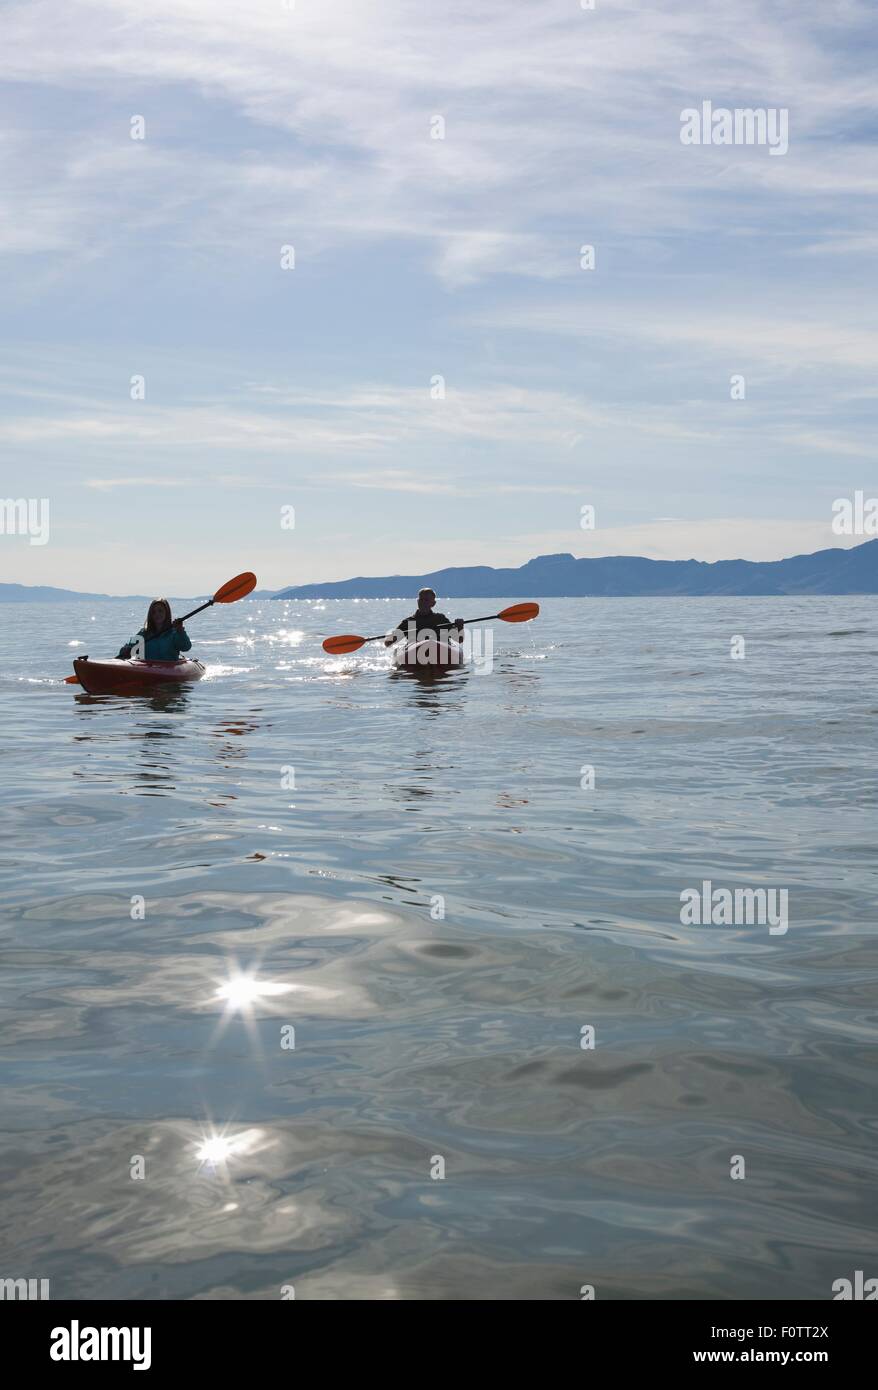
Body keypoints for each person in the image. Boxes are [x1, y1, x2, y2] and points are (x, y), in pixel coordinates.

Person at [385, 588, 464, 648]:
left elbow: (459, 640)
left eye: (426, 600)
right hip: (416, 655)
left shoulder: (441, 619)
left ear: (433, 603)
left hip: (442, 652)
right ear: (417, 601)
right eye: (421, 600)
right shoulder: (408, 622)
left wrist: (460, 627)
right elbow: (387, 643)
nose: (423, 602)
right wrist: (392, 636)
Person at [118, 598, 192, 661]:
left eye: (160, 611)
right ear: (150, 615)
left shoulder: (174, 633)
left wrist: (180, 631)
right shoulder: (143, 633)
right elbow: (130, 647)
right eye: (153, 612)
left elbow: (186, 647)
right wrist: (126, 649)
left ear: (167, 613)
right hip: (148, 669)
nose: (157, 614)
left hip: (169, 668)